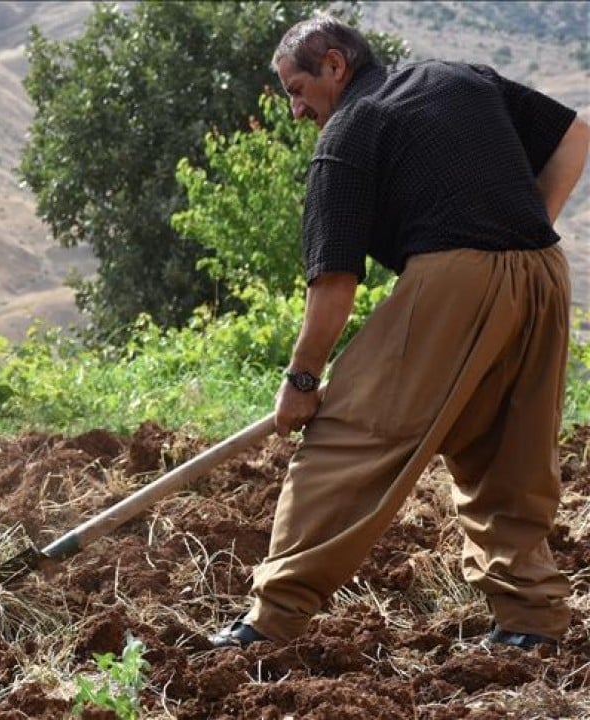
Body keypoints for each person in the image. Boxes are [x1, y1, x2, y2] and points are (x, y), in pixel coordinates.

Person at [208, 15, 590, 650]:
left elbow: (332, 284)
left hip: (456, 280)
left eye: (297, 89)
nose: (298, 110)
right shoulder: (459, 78)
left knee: (349, 437)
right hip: (545, 271)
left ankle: (270, 620)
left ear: (335, 65)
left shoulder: (348, 136)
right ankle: (531, 622)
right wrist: (516, 231)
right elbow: (575, 135)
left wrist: (302, 382)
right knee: (506, 447)